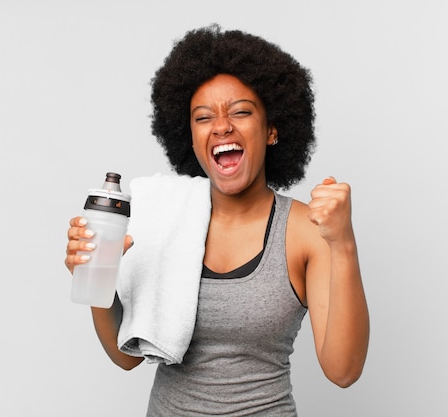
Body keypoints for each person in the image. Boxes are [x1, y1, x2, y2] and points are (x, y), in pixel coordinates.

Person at [65, 24, 369, 416]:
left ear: (272, 129)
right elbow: (127, 358)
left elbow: (343, 371)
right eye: (203, 117)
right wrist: (96, 275)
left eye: (241, 111)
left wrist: (343, 242)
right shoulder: (162, 218)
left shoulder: (305, 230)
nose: (222, 126)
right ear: (189, 137)